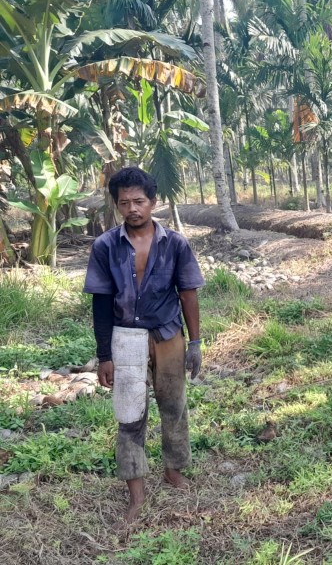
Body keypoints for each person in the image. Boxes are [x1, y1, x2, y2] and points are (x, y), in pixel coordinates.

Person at [83, 167, 204, 526]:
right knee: (130, 414)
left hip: (168, 335)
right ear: (117, 205)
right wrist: (104, 355)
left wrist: (194, 342)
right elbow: (101, 304)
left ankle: (174, 469)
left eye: (139, 201)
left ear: (153, 202)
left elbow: (188, 293)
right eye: (124, 203)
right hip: (126, 339)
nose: (132, 208)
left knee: (174, 406)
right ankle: (136, 492)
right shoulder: (105, 246)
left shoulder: (175, 243)